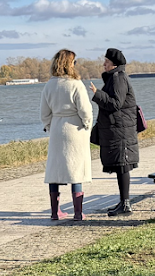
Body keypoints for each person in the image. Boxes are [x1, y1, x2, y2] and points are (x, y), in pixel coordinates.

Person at [40, 49, 95, 222]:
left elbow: (44, 112)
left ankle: (55, 212)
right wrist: (87, 124)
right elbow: (85, 110)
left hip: (57, 128)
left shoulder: (49, 85)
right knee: (75, 169)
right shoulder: (75, 84)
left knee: (55, 169)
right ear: (70, 64)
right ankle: (78, 212)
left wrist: (50, 126)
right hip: (75, 129)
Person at [88, 48, 138, 216]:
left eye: (107, 62)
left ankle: (125, 204)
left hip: (121, 131)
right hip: (118, 129)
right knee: (120, 166)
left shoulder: (118, 78)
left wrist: (97, 94)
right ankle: (123, 202)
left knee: (122, 166)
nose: (104, 64)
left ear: (114, 64)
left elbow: (115, 103)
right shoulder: (116, 78)